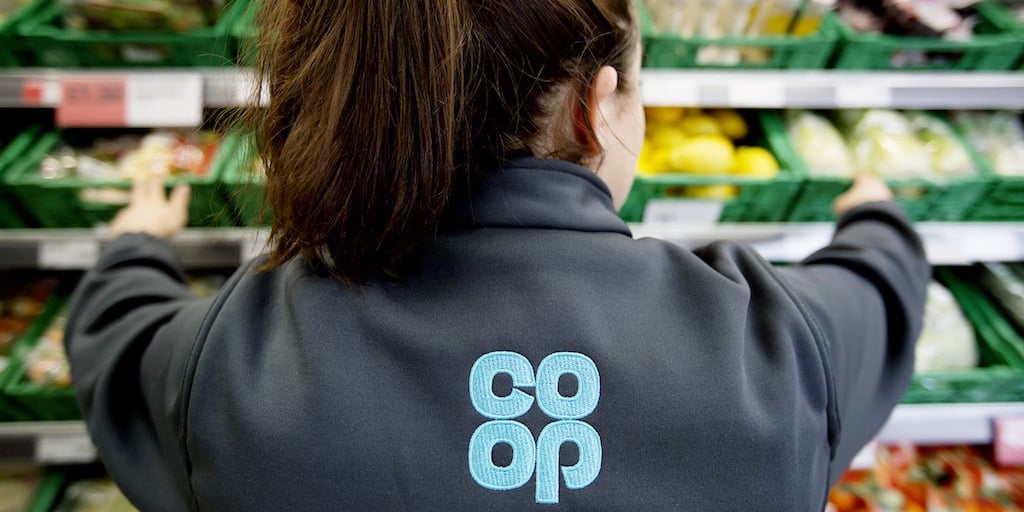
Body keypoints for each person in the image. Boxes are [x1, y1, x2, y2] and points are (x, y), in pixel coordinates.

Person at [64, 1, 929, 510]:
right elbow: (882, 287)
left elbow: (114, 340)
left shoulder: (235, 365)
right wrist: (875, 213)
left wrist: (136, 243)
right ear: (597, 109)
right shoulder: (776, 352)